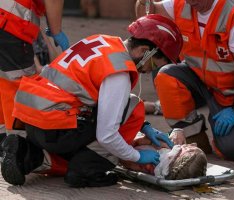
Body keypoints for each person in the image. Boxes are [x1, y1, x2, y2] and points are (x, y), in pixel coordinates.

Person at [1, 14, 183, 187]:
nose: (148, 71)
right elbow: (107, 135)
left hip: (32, 119)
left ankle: (27, 155)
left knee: (107, 119)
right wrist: (135, 156)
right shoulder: (119, 73)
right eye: (153, 65)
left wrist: (144, 127)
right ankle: (87, 169)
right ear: (145, 51)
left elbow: (93, 98)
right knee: (134, 106)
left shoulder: (103, 41)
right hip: (55, 126)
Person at [135, 0, 234, 160]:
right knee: (166, 76)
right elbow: (148, 14)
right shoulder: (181, 4)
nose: (191, 3)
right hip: (202, 80)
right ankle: (194, 136)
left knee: (232, 150)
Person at [0, 0, 69, 150]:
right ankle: (17, 146)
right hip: (10, 23)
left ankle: (3, 138)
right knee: (22, 86)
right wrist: (56, 31)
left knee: (3, 81)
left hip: (6, 19)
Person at [121, 128, 207, 180]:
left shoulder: (158, 160)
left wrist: (137, 142)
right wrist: (177, 130)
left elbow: (122, 157)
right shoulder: (163, 148)